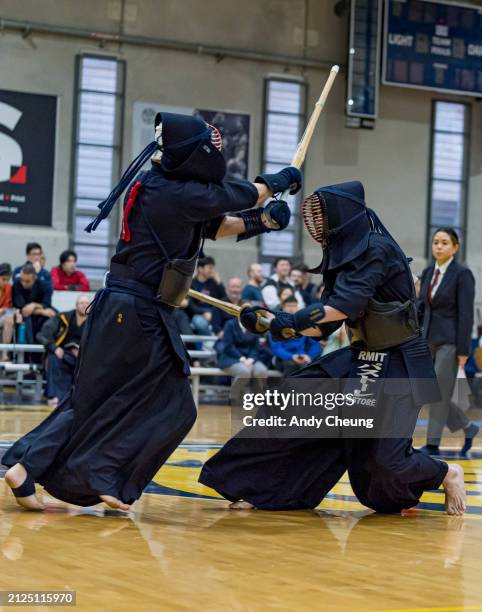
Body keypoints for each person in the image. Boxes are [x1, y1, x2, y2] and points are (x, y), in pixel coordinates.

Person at [3, 111, 301, 511]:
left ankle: (32, 467)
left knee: (98, 399)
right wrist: (275, 184)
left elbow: (214, 225)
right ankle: (105, 476)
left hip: (126, 309)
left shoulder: (158, 185)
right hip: (137, 312)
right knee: (174, 405)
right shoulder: (174, 192)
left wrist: (262, 222)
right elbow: (241, 195)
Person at [200, 181, 466, 516]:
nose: (318, 223)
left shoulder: (376, 249)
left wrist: (289, 321)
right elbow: (324, 324)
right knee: (293, 401)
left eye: (324, 214)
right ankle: (263, 486)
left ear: (344, 215)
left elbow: (345, 305)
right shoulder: (341, 256)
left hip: (400, 362)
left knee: (384, 469)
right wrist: (271, 323)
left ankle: (446, 473)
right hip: (362, 357)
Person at [418, 228, 478, 457]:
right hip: (428, 340)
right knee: (433, 392)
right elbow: (422, 307)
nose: (439, 246)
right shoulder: (427, 272)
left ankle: (432, 443)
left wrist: (464, 350)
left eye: (444, 242)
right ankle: (468, 427)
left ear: (455, 247)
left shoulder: (462, 274)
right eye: (435, 242)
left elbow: (466, 315)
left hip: (450, 342)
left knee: (438, 391)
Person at [37, 295, 90, 407]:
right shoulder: (63, 318)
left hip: (86, 357)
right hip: (64, 354)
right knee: (53, 358)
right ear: (76, 306)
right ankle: (54, 396)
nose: (85, 305)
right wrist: (54, 348)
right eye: (82, 303)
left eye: (87, 303)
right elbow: (43, 334)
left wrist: (82, 351)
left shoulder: (95, 321)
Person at [270, 296, 321, 375]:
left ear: (298, 307)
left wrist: (309, 356)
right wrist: (291, 356)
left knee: (307, 366)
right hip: (282, 358)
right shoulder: (275, 324)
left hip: (302, 356)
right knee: (291, 365)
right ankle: (288, 387)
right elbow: (276, 348)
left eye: (294, 306)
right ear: (283, 308)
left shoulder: (304, 323)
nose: (291, 308)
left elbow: (315, 344)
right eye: (289, 306)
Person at [218, 308, 268, 383]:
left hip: (250, 358)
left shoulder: (255, 326)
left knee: (262, 371)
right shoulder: (229, 324)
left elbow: (256, 347)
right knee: (244, 372)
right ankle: (236, 394)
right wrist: (242, 359)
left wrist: (251, 359)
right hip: (231, 358)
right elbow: (228, 346)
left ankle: (258, 394)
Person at [12, 263, 56, 344]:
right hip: (25, 315)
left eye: (27, 281)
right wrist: (41, 311)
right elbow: (22, 308)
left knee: (54, 315)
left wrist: (34, 305)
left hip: (41, 315)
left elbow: (46, 304)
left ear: (35, 278)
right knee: (27, 318)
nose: (24, 283)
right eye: (22, 280)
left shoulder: (45, 285)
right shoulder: (17, 283)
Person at [187, 256, 226, 336]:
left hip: (214, 313)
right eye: (210, 268)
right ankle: (209, 343)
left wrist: (219, 282)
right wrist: (205, 312)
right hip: (198, 314)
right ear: (200, 269)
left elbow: (224, 299)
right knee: (199, 322)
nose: (212, 271)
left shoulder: (213, 283)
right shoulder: (191, 284)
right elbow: (191, 305)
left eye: (213, 268)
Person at [0, 263, 15, 361]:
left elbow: (8, 307)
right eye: (3, 279)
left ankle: (4, 353)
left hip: (2, 316)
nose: (6, 282)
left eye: (7, 279)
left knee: (9, 320)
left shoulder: (9, 288)